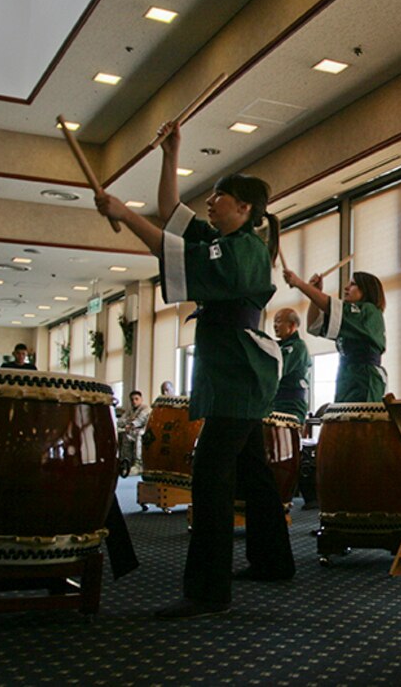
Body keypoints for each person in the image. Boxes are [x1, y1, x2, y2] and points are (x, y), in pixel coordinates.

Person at [95, 120, 295, 619]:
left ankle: (208, 590)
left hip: (240, 372)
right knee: (251, 468)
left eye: (220, 197)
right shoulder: (222, 240)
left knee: (210, 473)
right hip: (234, 370)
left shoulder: (244, 249)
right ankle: (273, 561)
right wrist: (172, 152)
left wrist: (122, 212)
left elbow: (170, 249)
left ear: (244, 209)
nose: (211, 203)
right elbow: (170, 215)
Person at [282, 267, 387, 402]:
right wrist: (316, 293)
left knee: (360, 420)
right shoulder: (350, 321)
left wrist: (299, 283)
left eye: (353, 284)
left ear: (366, 290)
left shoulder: (369, 311)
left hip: (364, 377)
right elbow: (314, 325)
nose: (346, 288)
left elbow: (330, 306)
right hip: (347, 374)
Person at [271, 307, 311, 425]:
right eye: (274, 321)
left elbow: (275, 371)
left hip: (290, 406)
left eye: (278, 321)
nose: (274, 325)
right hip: (276, 404)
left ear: (292, 325)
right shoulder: (278, 346)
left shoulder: (298, 347)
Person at [117, 390, 151, 472]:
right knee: (126, 435)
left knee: (139, 435)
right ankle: (126, 462)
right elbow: (120, 422)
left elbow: (140, 420)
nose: (134, 401)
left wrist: (131, 424)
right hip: (133, 430)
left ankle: (138, 464)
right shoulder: (130, 410)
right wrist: (129, 421)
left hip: (145, 431)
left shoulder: (146, 408)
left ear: (141, 399)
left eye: (136, 399)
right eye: (132, 400)